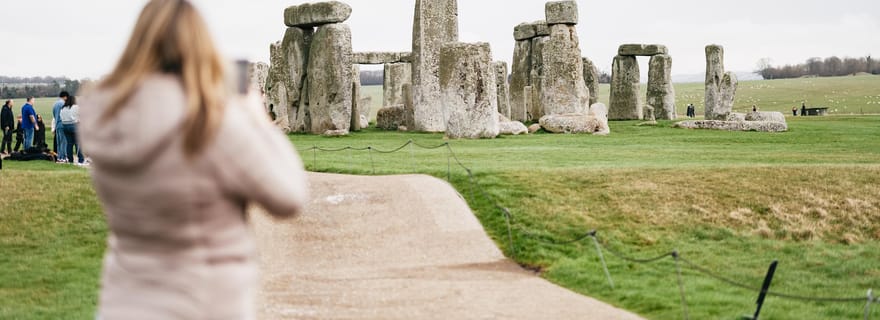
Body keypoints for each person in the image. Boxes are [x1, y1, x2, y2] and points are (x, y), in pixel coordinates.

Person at [79, 1, 309, 318]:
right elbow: (289, 195)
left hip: (124, 304)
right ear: (200, 47)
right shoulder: (209, 124)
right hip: (203, 304)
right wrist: (257, 120)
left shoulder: (108, 119)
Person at [60, 96, 85, 165]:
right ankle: (81, 160)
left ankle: (70, 160)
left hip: (65, 126)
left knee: (69, 144)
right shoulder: (76, 107)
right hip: (74, 125)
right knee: (78, 143)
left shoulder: (63, 108)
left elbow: (61, 117)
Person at [52, 91, 70, 162]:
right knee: (64, 142)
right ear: (65, 97)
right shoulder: (63, 103)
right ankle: (63, 157)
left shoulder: (55, 104)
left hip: (57, 124)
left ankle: (59, 157)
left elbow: (54, 115)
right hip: (63, 124)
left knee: (59, 142)